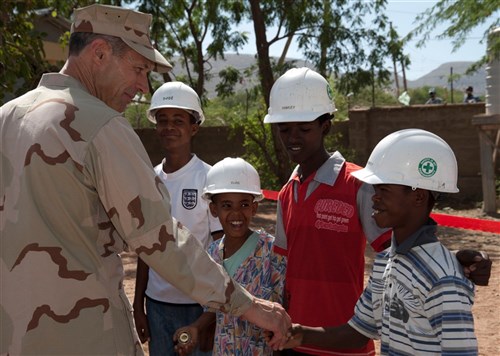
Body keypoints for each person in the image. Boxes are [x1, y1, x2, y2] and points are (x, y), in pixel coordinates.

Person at [0, 4, 291, 355]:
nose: (141, 86)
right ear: (100, 53)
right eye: (138, 68)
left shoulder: (7, 118)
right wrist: (250, 306)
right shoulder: (101, 126)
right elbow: (159, 238)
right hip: (84, 334)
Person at [263, 67, 491, 356]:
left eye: (304, 128)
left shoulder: (359, 185)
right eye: (284, 129)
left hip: (344, 345)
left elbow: (407, 246)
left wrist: (455, 260)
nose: (293, 137)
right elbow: (285, 271)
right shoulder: (287, 192)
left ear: (326, 126)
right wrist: (289, 330)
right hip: (302, 339)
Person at [282, 128, 478, 355]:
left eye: (383, 189)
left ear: (418, 196)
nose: (374, 196)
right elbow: (357, 333)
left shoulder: (444, 279)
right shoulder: (386, 262)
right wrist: (300, 334)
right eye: (375, 188)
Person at [133, 82, 224, 355]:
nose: (169, 126)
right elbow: (144, 249)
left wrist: (213, 316)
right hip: (158, 304)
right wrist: (138, 305)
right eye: (162, 120)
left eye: (178, 120)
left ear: (194, 127)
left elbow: (222, 251)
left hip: (200, 306)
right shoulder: (149, 179)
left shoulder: (210, 179)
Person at [173, 157, 287, 355]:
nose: (236, 214)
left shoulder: (272, 252)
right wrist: (196, 328)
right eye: (226, 205)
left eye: (243, 205)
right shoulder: (211, 255)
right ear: (213, 209)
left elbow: (285, 311)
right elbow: (214, 307)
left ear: (254, 207)